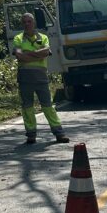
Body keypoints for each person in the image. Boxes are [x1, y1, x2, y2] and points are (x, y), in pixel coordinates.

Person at [12, 12, 70, 144]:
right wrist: (37, 54)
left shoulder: (43, 37)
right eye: (24, 22)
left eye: (29, 21)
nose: (27, 24)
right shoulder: (18, 38)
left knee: (48, 106)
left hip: (41, 78)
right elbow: (20, 56)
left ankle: (59, 133)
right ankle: (31, 135)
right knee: (27, 107)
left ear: (34, 23)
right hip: (25, 79)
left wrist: (28, 54)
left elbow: (45, 52)